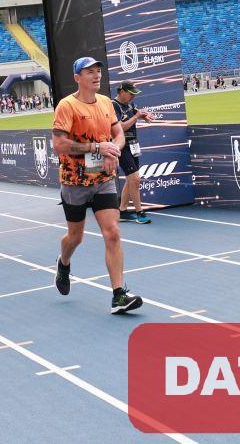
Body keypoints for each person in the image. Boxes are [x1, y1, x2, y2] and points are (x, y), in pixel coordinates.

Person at [51, 57, 142, 314]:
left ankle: (118, 295)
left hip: (103, 180)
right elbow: (59, 144)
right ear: (77, 78)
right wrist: (96, 148)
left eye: (98, 71)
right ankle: (64, 263)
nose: (96, 75)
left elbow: (118, 134)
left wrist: (113, 151)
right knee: (75, 237)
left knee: (112, 232)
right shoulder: (67, 105)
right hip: (75, 181)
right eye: (89, 71)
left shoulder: (105, 103)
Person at [112, 81, 152, 224]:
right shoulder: (113, 105)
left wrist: (143, 116)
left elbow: (136, 113)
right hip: (121, 146)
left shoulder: (130, 104)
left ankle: (122, 211)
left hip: (133, 145)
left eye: (135, 94)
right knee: (134, 179)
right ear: (122, 91)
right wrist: (136, 117)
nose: (133, 97)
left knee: (132, 179)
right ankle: (139, 213)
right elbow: (120, 127)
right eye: (131, 94)